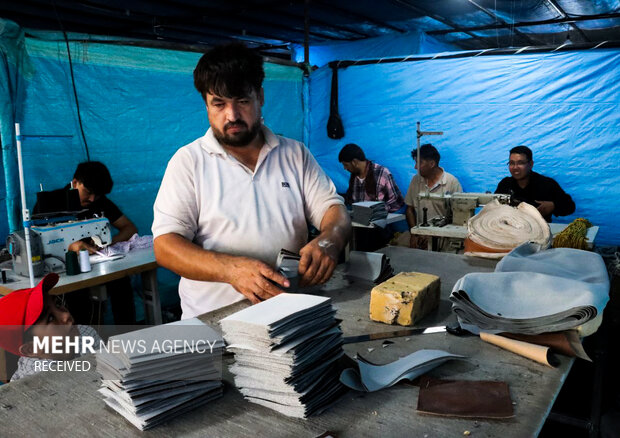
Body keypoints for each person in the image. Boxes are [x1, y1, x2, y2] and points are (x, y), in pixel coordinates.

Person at [152, 42, 351, 319]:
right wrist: (230, 269)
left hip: (289, 314)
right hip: (215, 323)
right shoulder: (189, 162)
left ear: (260, 96)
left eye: (242, 101)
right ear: (206, 105)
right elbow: (166, 247)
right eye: (219, 104)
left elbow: (334, 210)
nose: (232, 116)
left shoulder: (294, 154)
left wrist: (330, 239)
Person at [33, 161, 137, 325]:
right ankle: (88, 342)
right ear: (75, 183)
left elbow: (129, 227)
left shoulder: (99, 201)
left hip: (95, 265)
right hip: (63, 270)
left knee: (121, 282)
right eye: (88, 192)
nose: (92, 198)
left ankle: (129, 337)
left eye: (97, 194)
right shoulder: (49, 202)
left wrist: (107, 244)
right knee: (77, 296)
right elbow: (38, 243)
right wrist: (70, 248)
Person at [0, 273, 102, 381]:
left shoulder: (86, 334)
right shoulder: (38, 380)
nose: (65, 315)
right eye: (50, 318)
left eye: (58, 304)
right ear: (32, 349)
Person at [495, 145, 575, 222]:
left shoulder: (547, 184)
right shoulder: (505, 184)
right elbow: (494, 206)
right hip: (510, 229)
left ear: (531, 164)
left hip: (541, 230)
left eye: (520, 163)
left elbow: (570, 206)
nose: (515, 167)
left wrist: (553, 206)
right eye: (512, 163)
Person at [404, 144, 462, 249]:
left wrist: (435, 234)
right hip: (421, 237)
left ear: (432, 163)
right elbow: (409, 209)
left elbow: (459, 217)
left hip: (444, 239)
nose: (415, 167)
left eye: (419, 163)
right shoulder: (416, 181)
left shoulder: (451, 182)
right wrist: (414, 234)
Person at [338, 143, 405, 213]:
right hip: (361, 218)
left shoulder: (381, 173)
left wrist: (377, 210)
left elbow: (396, 201)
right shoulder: (354, 177)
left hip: (381, 218)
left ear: (354, 162)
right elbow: (351, 200)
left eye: (346, 165)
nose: (345, 168)